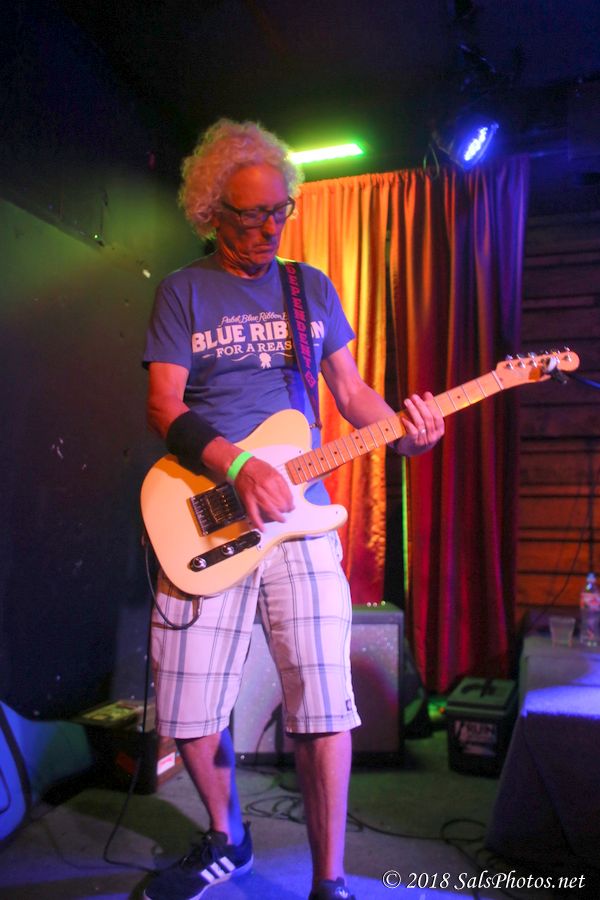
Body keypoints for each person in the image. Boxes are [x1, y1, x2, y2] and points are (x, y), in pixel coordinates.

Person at [142, 118, 444, 900]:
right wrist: (237, 464)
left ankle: (329, 879)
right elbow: (164, 404)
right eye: (251, 216)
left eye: (279, 212)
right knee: (186, 704)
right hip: (206, 507)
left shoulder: (310, 287)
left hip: (301, 519)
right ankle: (227, 836)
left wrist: (405, 433)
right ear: (211, 211)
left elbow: (351, 391)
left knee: (323, 701)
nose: (269, 229)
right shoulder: (183, 291)